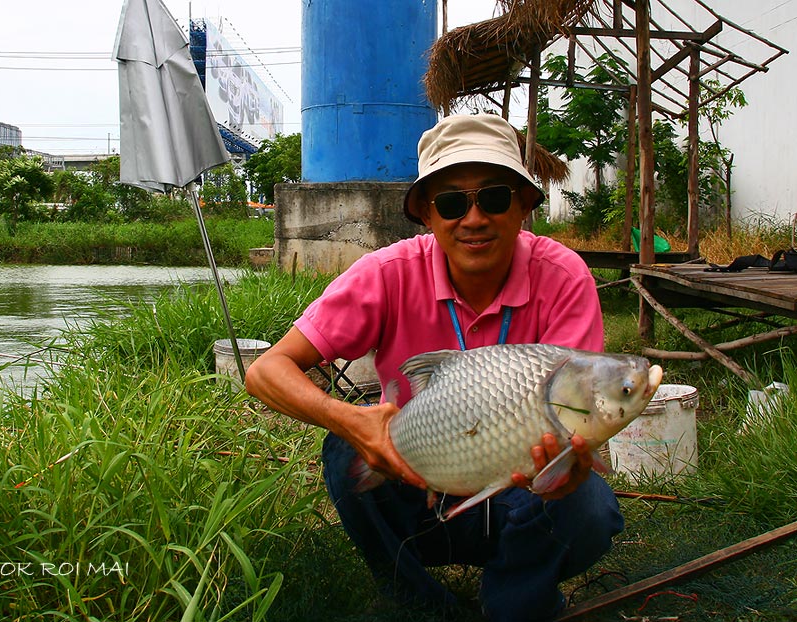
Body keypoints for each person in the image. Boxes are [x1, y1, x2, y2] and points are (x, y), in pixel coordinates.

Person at [245, 113, 623, 621]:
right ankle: (418, 602)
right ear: (425, 213)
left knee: (589, 506)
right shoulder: (385, 275)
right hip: (415, 480)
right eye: (450, 202)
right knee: (343, 451)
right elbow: (266, 370)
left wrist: (570, 465)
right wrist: (348, 419)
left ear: (524, 205)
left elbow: (581, 408)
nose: (473, 219)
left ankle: (515, 599)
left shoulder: (564, 277)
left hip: (521, 493)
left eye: (494, 197)